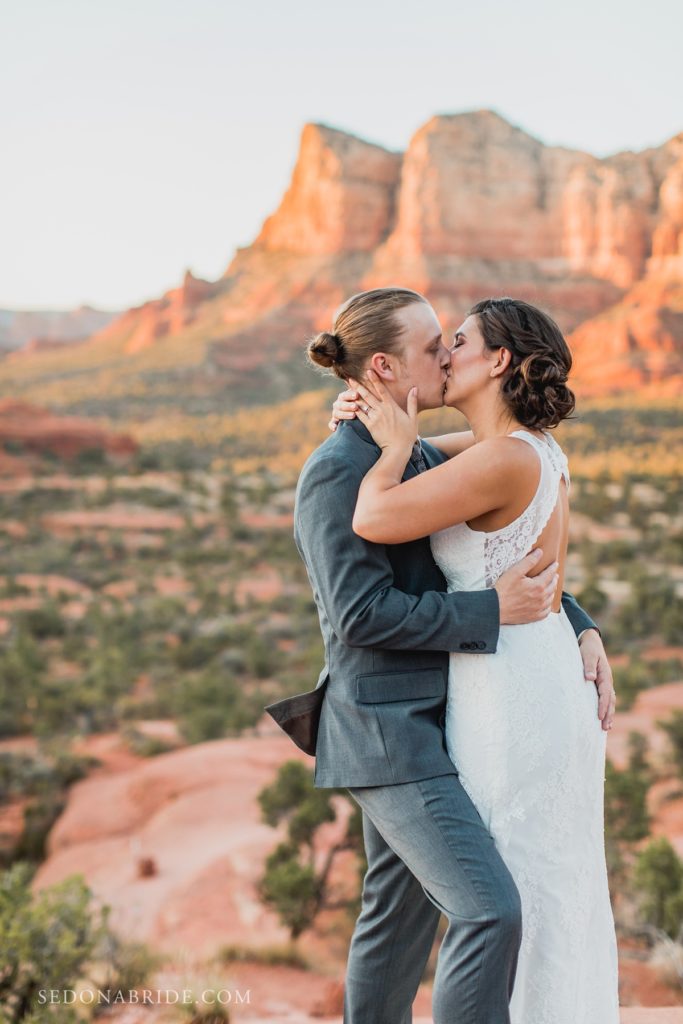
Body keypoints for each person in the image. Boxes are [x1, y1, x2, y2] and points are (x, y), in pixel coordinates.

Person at [265, 287, 615, 1024]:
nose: (446, 354)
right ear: (387, 367)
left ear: (498, 361)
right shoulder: (339, 469)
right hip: (389, 732)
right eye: (434, 345)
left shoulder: (425, 456)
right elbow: (359, 616)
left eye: (453, 341)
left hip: (460, 712)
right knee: (486, 911)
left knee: (396, 923)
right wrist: (498, 612)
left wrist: (574, 620)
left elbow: (510, 545)